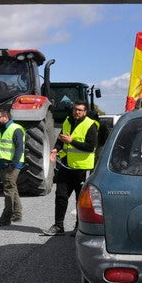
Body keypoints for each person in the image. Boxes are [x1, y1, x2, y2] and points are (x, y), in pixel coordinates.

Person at [44, 99, 98, 236]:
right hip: (65, 166)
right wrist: (56, 149)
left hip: (81, 169)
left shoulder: (90, 125)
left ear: (85, 112)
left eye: (80, 110)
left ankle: (79, 227)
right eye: (75, 109)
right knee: (60, 197)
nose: (77, 112)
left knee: (80, 200)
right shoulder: (68, 122)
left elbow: (90, 147)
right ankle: (58, 226)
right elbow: (61, 140)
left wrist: (71, 141)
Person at [0, 108, 26, 226]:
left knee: (8, 190)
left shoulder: (15, 129)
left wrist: (12, 165)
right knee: (12, 188)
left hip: (11, 165)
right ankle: (17, 214)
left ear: (5, 117)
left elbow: (19, 148)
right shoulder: (2, 129)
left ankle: (6, 217)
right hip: (3, 163)